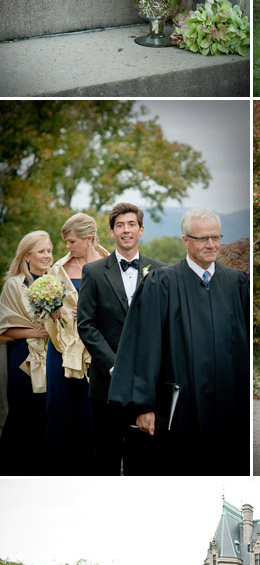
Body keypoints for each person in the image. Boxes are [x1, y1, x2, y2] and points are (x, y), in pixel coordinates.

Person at [108, 209, 250, 473]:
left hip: (230, 408)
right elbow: (143, 346)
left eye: (215, 237)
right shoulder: (161, 283)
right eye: (202, 238)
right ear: (185, 240)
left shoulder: (238, 284)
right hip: (181, 408)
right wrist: (143, 405)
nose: (211, 245)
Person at [77, 201, 160, 473]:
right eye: (120, 226)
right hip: (106, 385)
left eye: (131, 225)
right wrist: (114, 365)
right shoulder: (94, 272)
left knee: (145, 461)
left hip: (147, 387)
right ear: (111, 232)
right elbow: (86, 324)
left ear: (141, 229)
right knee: (104, 459)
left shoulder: (159, 272)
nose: (126, 230)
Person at [45, 214, 108, 474]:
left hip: (95, 353)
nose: (67, 247)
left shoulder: (109, 265)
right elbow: (45, 307)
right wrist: (53, 310)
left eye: (71, 241)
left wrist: (89, 312)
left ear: (89, 239)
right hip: (61, 350)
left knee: (90, 412)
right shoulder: (57, 269)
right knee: (60, 411)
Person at [0, 228, 53, 468]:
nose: (47, 255)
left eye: (50, 250)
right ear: (27, 255)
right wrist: (35, 332)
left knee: (48, 417)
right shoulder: (14, 285)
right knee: (22, 416)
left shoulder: (57, 281)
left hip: (54, 358)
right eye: (41, 251)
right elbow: (4, 328)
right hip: (23, 359)